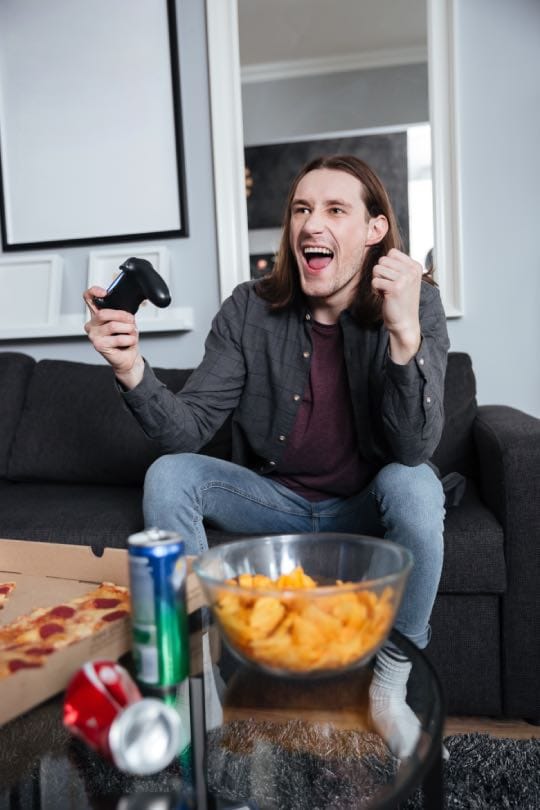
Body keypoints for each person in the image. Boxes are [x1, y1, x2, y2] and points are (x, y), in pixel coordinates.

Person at [84, 154, 450, 760]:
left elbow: (414, 447)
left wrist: (404, 333)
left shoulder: (418, 305)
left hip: (364, 506)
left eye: (336, 210)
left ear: (375, 229)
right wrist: (130, 368)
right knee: (169, 474)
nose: (312, 224)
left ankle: (389, 687)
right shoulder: (249, 308)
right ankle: (197, 686)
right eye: (303, 209)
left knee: (415, 485)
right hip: (272, 500)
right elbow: (188, 431)